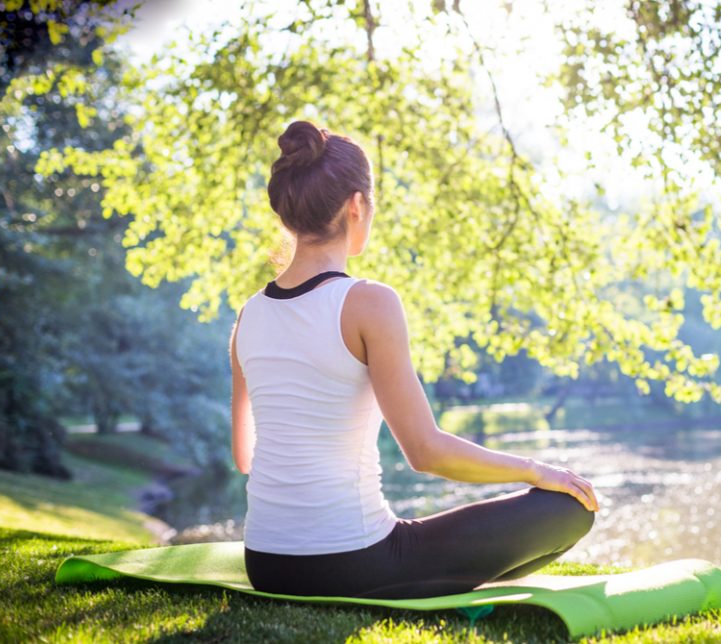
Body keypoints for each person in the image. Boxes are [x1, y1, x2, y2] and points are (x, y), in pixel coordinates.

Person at [230, 120, 598, 599]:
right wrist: (536, 470)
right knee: (569, 508)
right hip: (354, 562)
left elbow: (244, 457)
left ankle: (435, 576)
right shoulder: (369, 302)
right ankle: (439, 581)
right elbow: (426, 452)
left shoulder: (249, 315)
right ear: (357, 205)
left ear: (288, 214)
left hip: (266, 562)